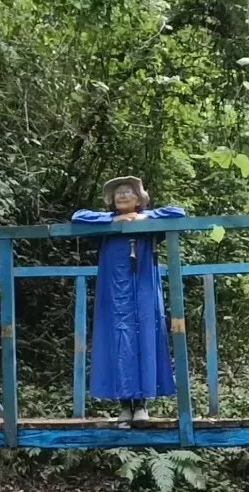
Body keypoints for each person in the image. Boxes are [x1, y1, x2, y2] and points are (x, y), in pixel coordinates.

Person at [71, 176, 186, 422]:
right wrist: (113, 221)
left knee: (145, 335)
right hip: (113, 293)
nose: (122, 195)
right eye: (118, 193)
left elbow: (179, 213)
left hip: (144, 289)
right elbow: (78, 216)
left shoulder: (148, 219)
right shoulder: (106, 222)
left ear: (139, 199)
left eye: (128, 192)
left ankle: (142, 404)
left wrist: (145, 218)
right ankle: (124, 404)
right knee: (117, 340)